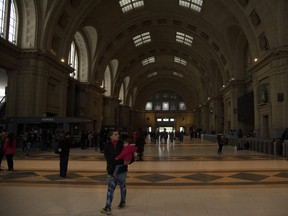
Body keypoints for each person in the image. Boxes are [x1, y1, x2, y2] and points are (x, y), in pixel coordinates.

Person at [101, 130, 128, 215]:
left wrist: (129, 161)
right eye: (115, 134)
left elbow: (128, 154)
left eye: (118, 134)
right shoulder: (107, 146)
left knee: (122, 186)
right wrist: (118, 161)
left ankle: (122, 202)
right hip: (112, 170)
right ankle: (108, 207)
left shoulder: (122, 144)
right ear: (111, 136)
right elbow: (108, 159)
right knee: (110, 189)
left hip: (122, 170)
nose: (118, 135)